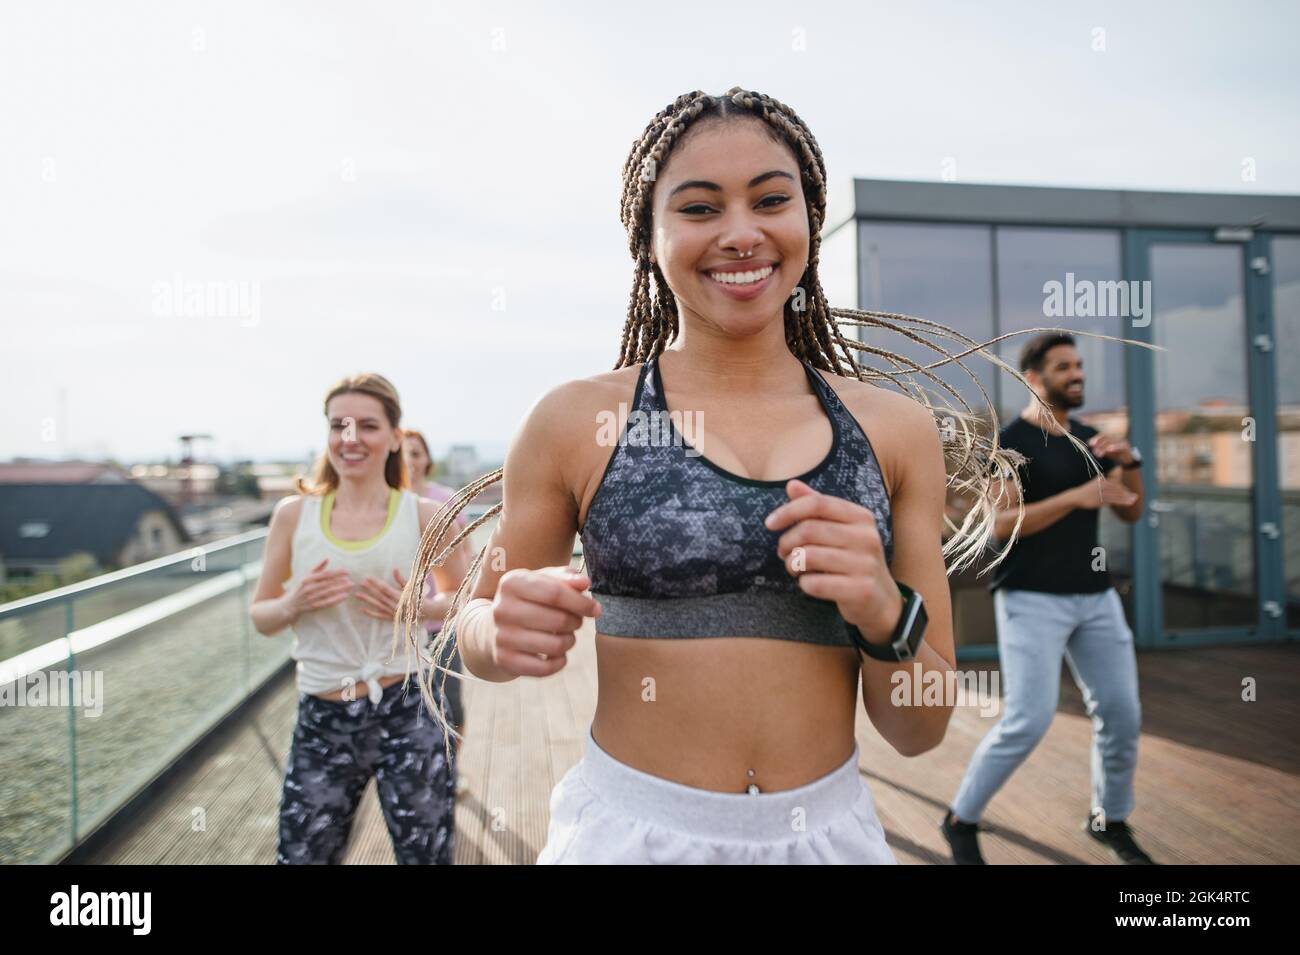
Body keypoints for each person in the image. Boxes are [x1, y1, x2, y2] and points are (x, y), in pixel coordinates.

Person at [397, 87, 1115, 865]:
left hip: (827, 838)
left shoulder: (892, 431)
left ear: (808, 218)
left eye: (772, 199)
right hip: (630, 836)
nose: (742, 233)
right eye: (700, 208)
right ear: (648, 236)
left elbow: (920, 726)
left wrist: (883, 608)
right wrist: (496, 630)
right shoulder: (572, 421)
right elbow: (471, 626)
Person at [941, 333, 1154, 865]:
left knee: (1123, 714)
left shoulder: (1092, 439)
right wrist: (1079, 497)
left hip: (1095, 597)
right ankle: (960, 819)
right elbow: (1000, 525)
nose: (1077, 373)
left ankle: (1110, 818)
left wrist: (1131, 463)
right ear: (1034, 378)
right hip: (1031, 597)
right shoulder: (1010, 445)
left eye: (1079, 365)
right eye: (1065, 366)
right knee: (1029, 719)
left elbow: (1130, 511)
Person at [250, 373, 469, 865]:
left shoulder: (426, 515)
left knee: (427, 856)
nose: (350, 438)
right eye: (338, 425)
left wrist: (418, 608)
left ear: (395, 437)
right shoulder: (292, 516)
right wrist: (292, 604)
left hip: (407, 708)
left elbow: (467, 599)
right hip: (323, 717)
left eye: (367, 426)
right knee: (303, 856)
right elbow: (261, 618)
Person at [402, 429, 471, 756]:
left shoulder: (445, 499)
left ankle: (451, 770)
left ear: (427, 458)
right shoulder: (386, 505)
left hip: (443, 621)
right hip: (400, 626)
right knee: (408, 707)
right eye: (401, 453)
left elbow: (467, 556)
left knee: (450, 702)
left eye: (415, 453)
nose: (409, 461)